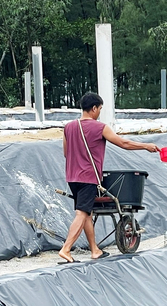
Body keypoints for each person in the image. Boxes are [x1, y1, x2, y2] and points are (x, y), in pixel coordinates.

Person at [58, 92, 159, 263]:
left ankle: (95, 250)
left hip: (72, 177)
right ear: (94, 108)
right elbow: (123, 143)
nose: (99, 113)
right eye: (100, 109)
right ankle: (66, 249)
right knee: (82, 213)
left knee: (87, 213)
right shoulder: (100, 127)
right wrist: (145, 146)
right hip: (88, 177)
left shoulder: (69, 126)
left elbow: (66, 153)